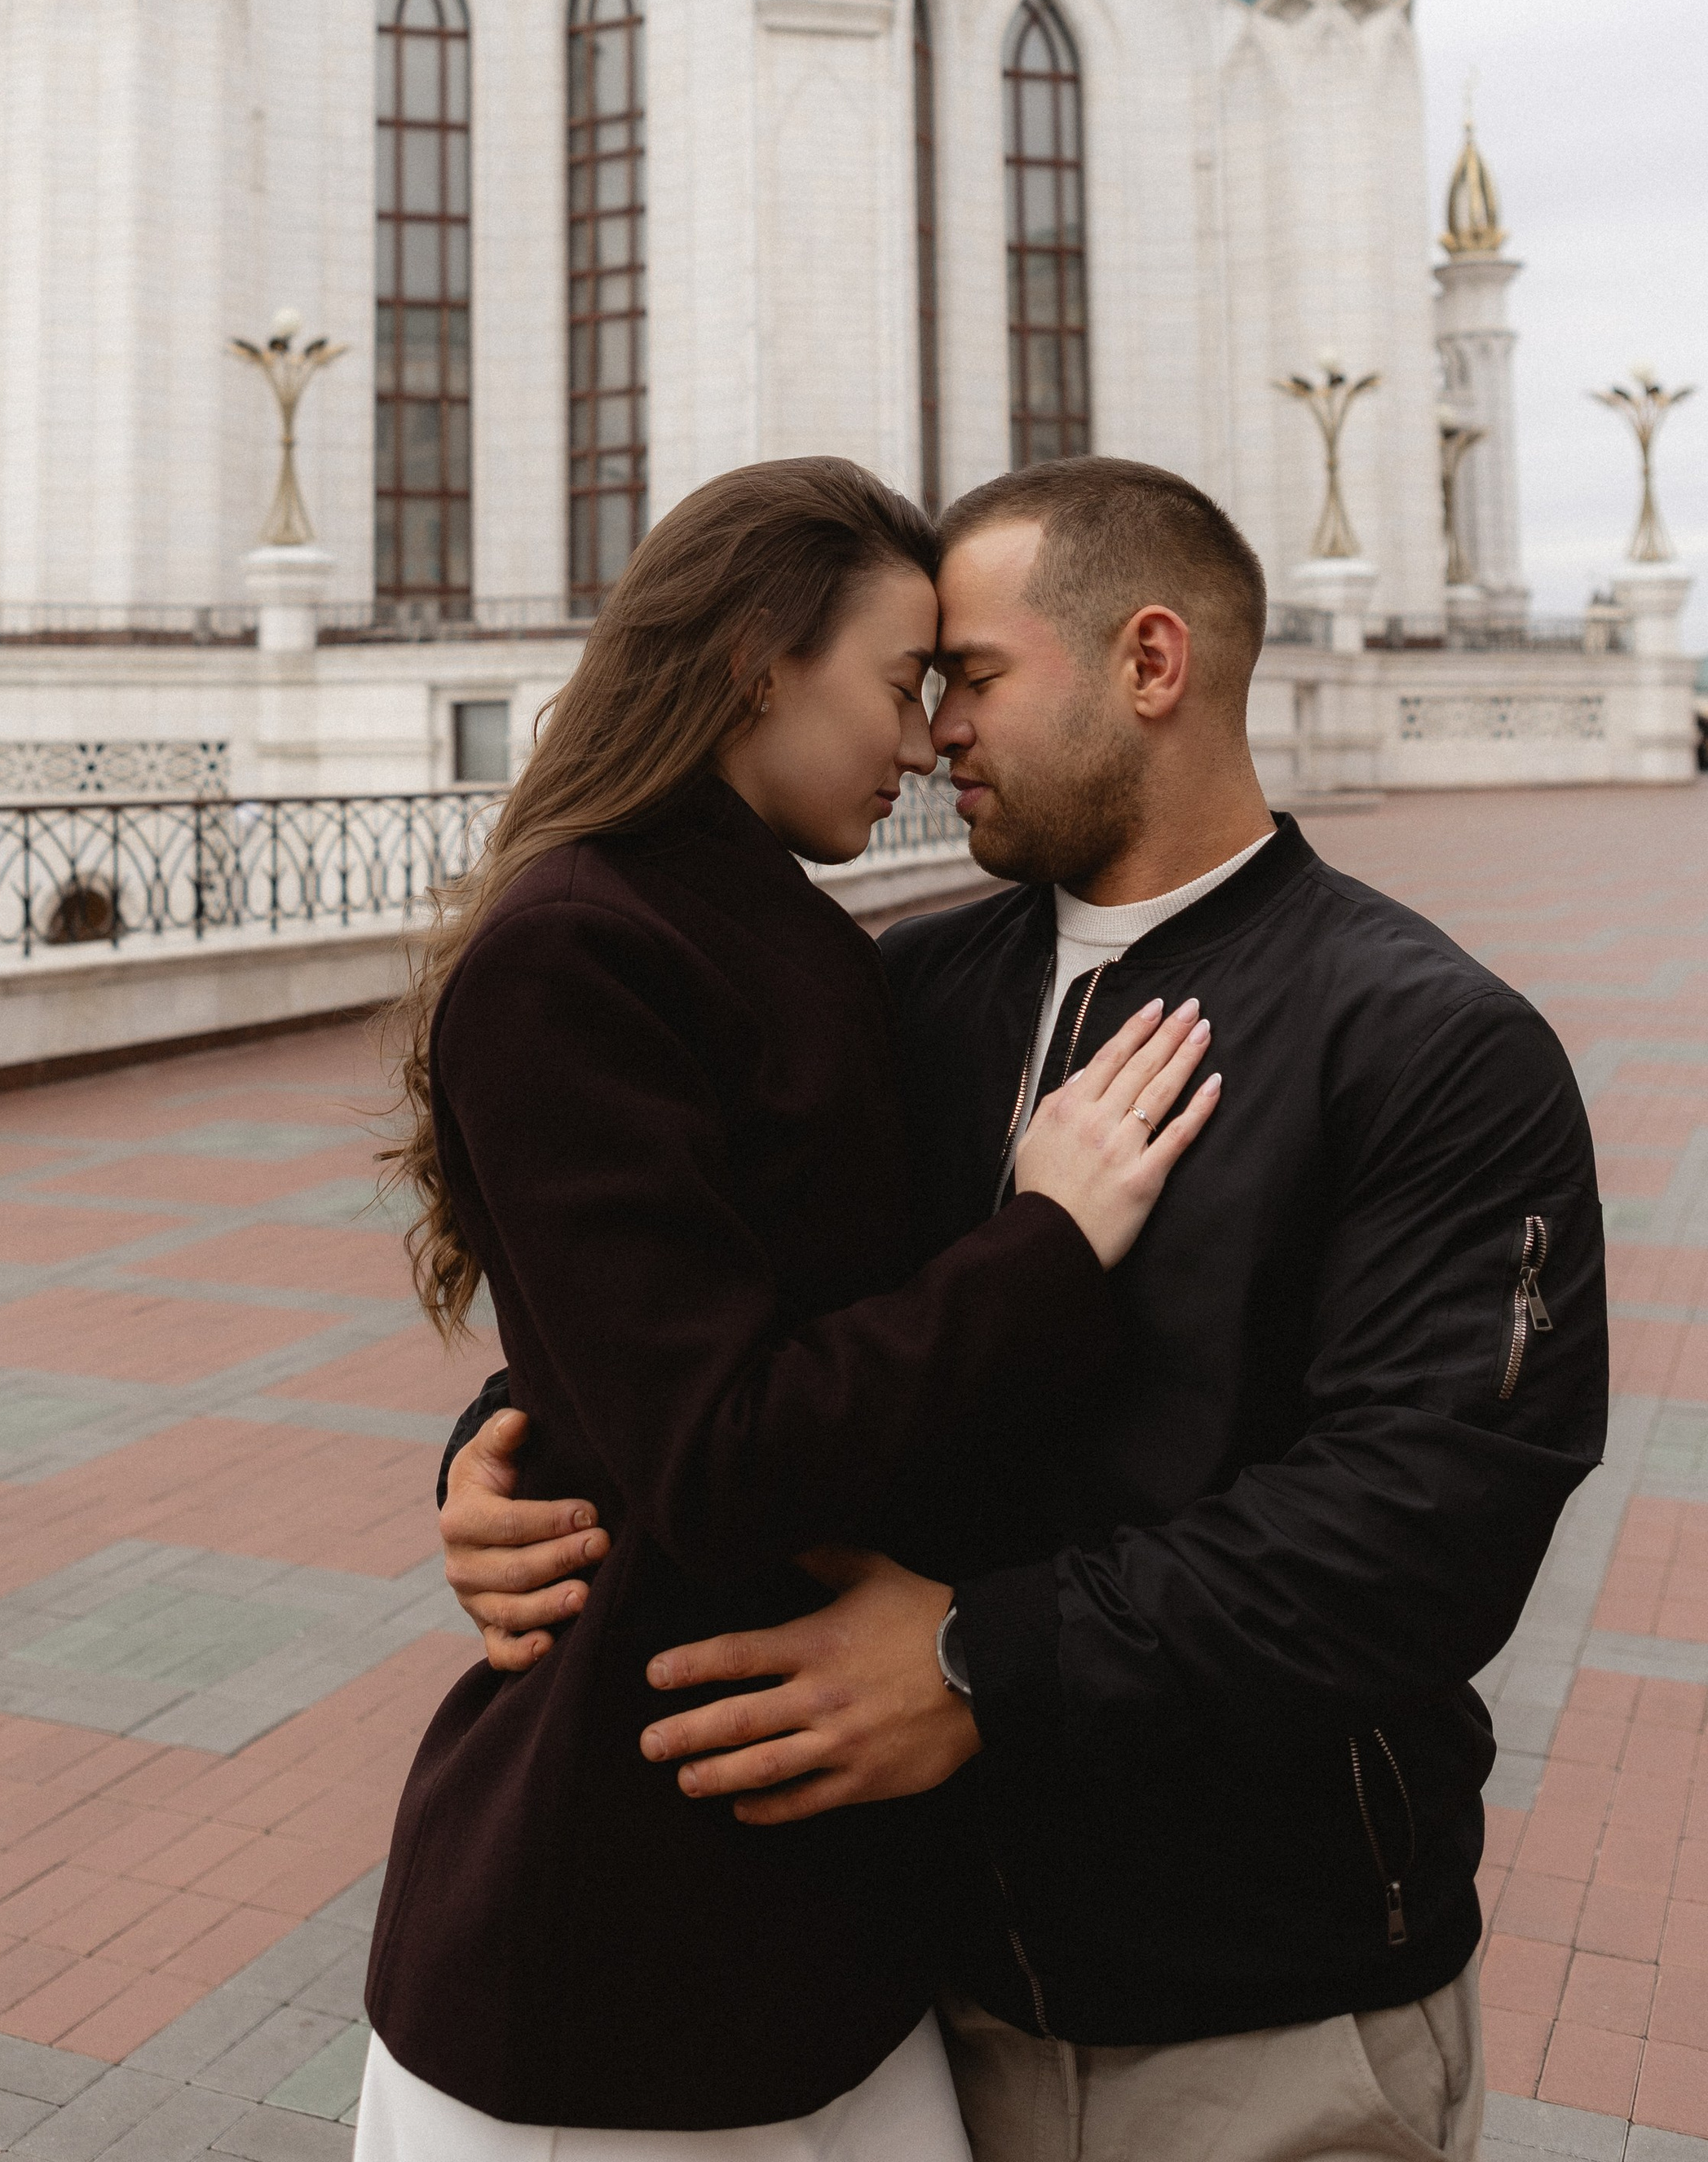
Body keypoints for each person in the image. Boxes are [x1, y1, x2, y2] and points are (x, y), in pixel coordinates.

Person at [439, 454, 1608, 2162]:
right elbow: (744, 1330)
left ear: (1151, 663)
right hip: (910, 1996)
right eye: (919, 683)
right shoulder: (908, 988)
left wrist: (981, 1665)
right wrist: (514, 1441)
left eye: (969, 676)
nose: (935, 735)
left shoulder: (1431, 1043)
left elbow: (1419, 1527)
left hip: (1261, 2008)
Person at [355, 456, 1222, 2159]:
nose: (924, 741)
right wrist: (1047, 1242)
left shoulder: (789, 936)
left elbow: (695, 1326)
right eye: (901, 684)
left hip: (810, 1902)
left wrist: (517, 1428)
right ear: (761, 662)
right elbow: (718, 1445)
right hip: (617, 1927)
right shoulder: (582, 945)